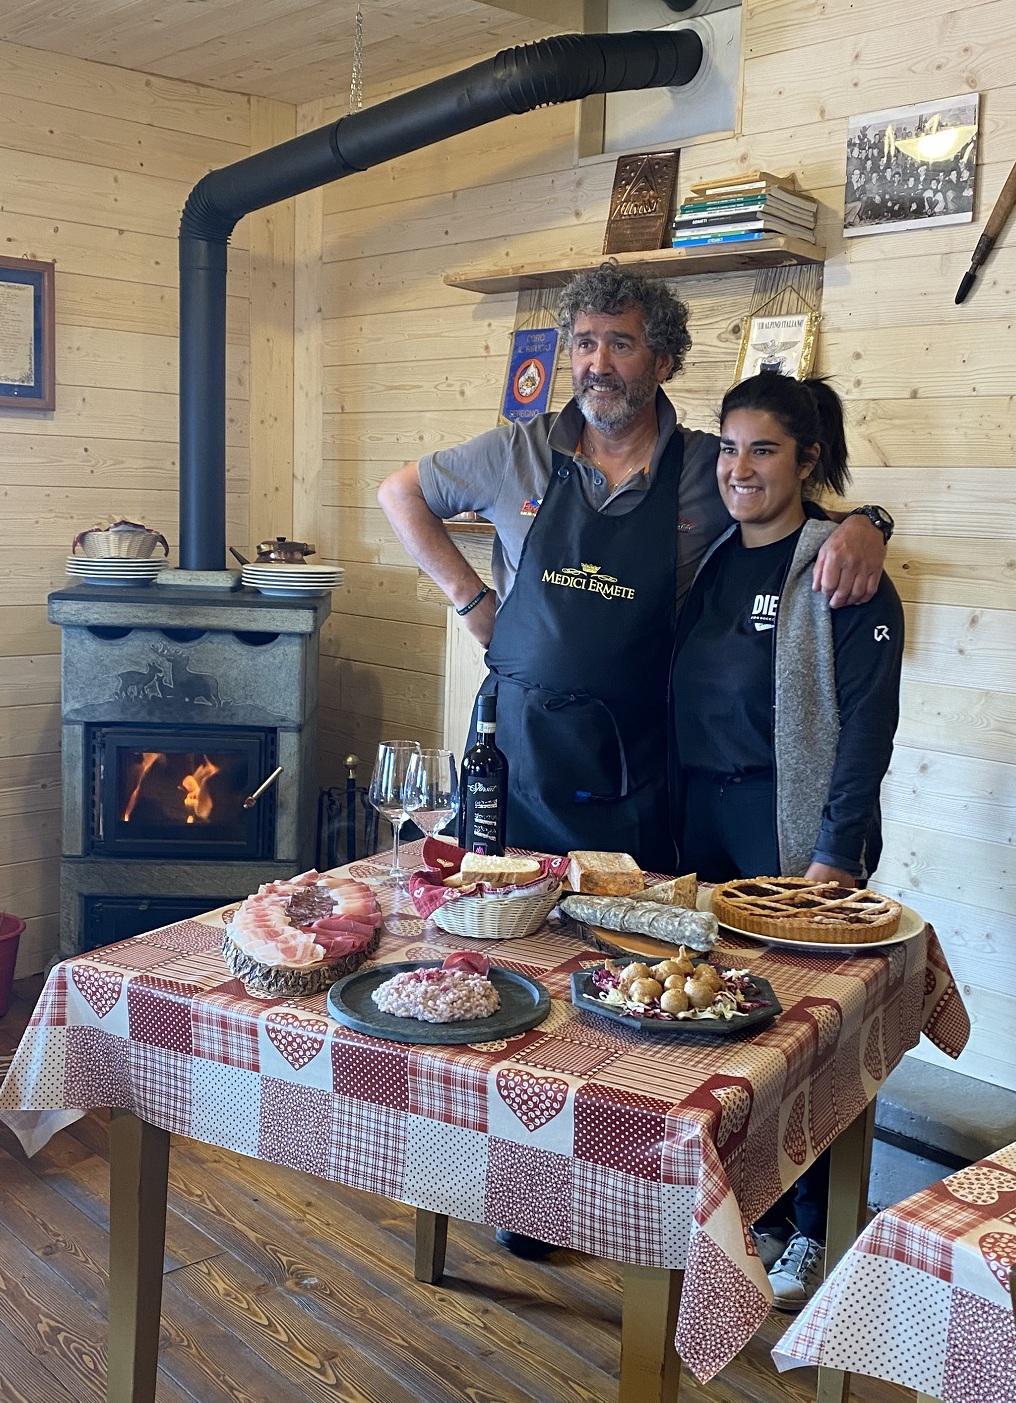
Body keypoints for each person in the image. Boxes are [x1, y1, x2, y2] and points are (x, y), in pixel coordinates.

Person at [378, 263, 890, 879]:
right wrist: (468, 598)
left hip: (635, 768)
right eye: (585, 343)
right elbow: (398, 494)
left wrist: (868, 524)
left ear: (665, 361)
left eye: (621, 344)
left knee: (622, 960)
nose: (599, 363)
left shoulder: (707, 463)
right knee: (499, 933)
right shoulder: (515, 449)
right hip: (518, 758)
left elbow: (786, 507)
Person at [670, 371, 904, 1309]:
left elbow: (867, 732)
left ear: (808, 459)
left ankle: (816, 1229)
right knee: (727, 1031)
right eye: (728, 448)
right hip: (704, 830)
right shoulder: (711, 556)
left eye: (762, 448)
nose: (739, 468)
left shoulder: (842, 569)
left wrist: (833, 858)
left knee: (814, 1042)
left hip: (798, 838)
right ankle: (754, 1209)